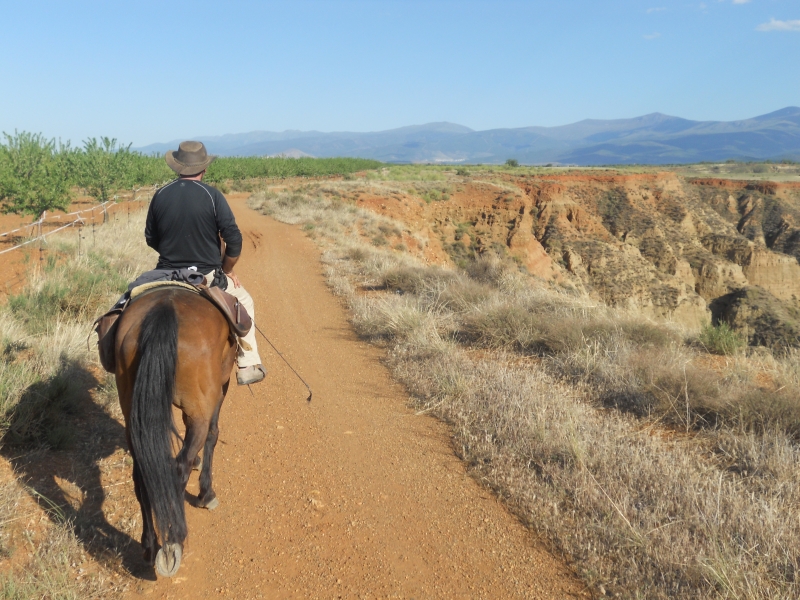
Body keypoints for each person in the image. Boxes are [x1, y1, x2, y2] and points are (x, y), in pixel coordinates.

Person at [145, 140, 265, 385]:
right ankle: (248, 363)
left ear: (177, 167)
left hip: (165, 274)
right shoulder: (212, 195)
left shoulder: (160, 195)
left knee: (128, 299)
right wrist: (227, 269)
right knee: (244, 300)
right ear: (204, 168)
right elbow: (234, 239)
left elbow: (151, 238)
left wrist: (172, 253)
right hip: (206, 276)